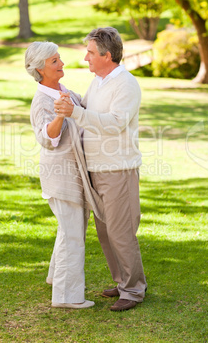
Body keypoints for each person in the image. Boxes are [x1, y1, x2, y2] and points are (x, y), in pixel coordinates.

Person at [54, 27, 147, 311]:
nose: (85, 58)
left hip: (118, 169)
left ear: (107, 55)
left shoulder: (125, 84)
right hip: (96, 169)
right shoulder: (99, 81)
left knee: (121, 232)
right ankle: (122, 283)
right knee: (106, 233)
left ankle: (133, 291)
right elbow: (90, 109)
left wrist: (77, 112)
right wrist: (74, 100)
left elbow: (115, 122)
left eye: (91, 53)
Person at [25, 41, 102, 309]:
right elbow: (47, 138)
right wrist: (59, 116)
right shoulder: (42, 101)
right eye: (55, 61)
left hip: (73, 172)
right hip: (61, 174)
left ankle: (54, 277)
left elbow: (84, 110)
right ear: (40, 69)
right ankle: (67, 297)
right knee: (73, 235)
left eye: (59, 58)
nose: (62, 64)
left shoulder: (62, 89)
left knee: (69, 228)